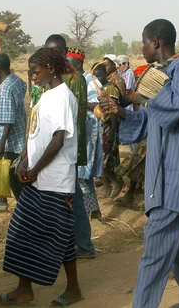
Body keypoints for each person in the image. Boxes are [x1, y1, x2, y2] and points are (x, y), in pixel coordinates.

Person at [100, 19, 179, 308]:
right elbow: (151, 120)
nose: (141, 47)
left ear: (157, 43)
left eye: (144, 42)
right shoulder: (161, 73)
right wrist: (122, 111)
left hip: (176, 170)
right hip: (163, 171)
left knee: (155, 248)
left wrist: (139, 96)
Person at [0, 47, 83, 307]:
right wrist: (25, 160)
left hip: (55, 180)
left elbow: (58, 141)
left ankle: (72, 289)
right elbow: (36, 134)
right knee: (26, 231)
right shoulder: (46, 96)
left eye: (36, 72)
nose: (32, 77)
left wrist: (35, 170)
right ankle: (25, 288)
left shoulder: (63, 97)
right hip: (37, 178)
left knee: (54, 236)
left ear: (52, 68)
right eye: (31, 72)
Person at [45, 34, 95, 260]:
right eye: (48, 50)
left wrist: (67, 150)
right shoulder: (47, 75)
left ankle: (83, 246)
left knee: (72, 197)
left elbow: (75, 119)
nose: (52, 54)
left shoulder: (74, 78)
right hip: (48, 148)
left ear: (64, 51)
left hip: (65, 149)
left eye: (56, 50)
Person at [0, 53, 27, 212]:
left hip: (10, 138)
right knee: (7, 172)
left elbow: (8, 120)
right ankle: (1, 201)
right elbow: (24, 87)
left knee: (10, 174)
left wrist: (1, 143)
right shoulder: (16, 81)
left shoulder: (4, 90)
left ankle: (22, 209)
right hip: (17, 133)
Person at [93, 63, 123, 198]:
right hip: (98, 127)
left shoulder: (111, 88)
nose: (97, 78)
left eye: (99, 75)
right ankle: (106, 186)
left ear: (105, 74)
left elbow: (115, 112)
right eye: (95, 76)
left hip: (108, 127)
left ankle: (117, 181)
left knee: (105, 160)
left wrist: (112, 133)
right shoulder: (96, 88)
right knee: (99, 159)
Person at [79, 61, 104, 219]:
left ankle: (88, 210)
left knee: (81, 174)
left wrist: (79, 102)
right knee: (81, 175)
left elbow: (99, 105)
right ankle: (93, 210)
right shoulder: (71, 79)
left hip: (88, 131)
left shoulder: (90, 80)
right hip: (77, 132)